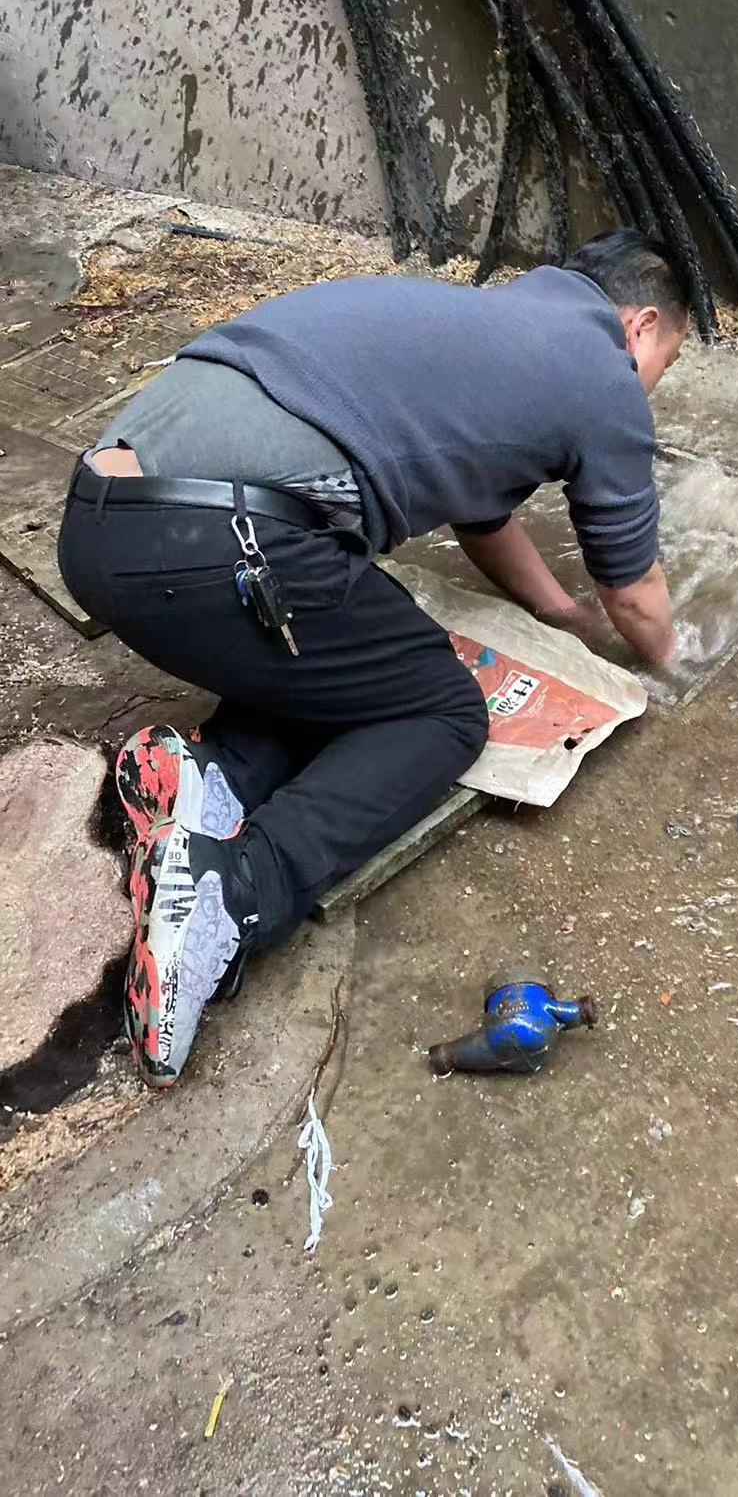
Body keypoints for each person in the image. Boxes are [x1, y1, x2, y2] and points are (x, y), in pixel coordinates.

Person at [57, 229, 689, 1089]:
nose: (650, 387)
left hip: (105, 524)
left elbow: (482, 515)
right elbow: (635, 592)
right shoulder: (602, 372)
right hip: (207, 543)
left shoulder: (494, 327)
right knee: (442, 709)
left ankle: (210, 776)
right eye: (665, 364)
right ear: (640, 326)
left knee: (357, 651)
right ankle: (233, 892)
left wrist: (557, 611)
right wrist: (673, 659)